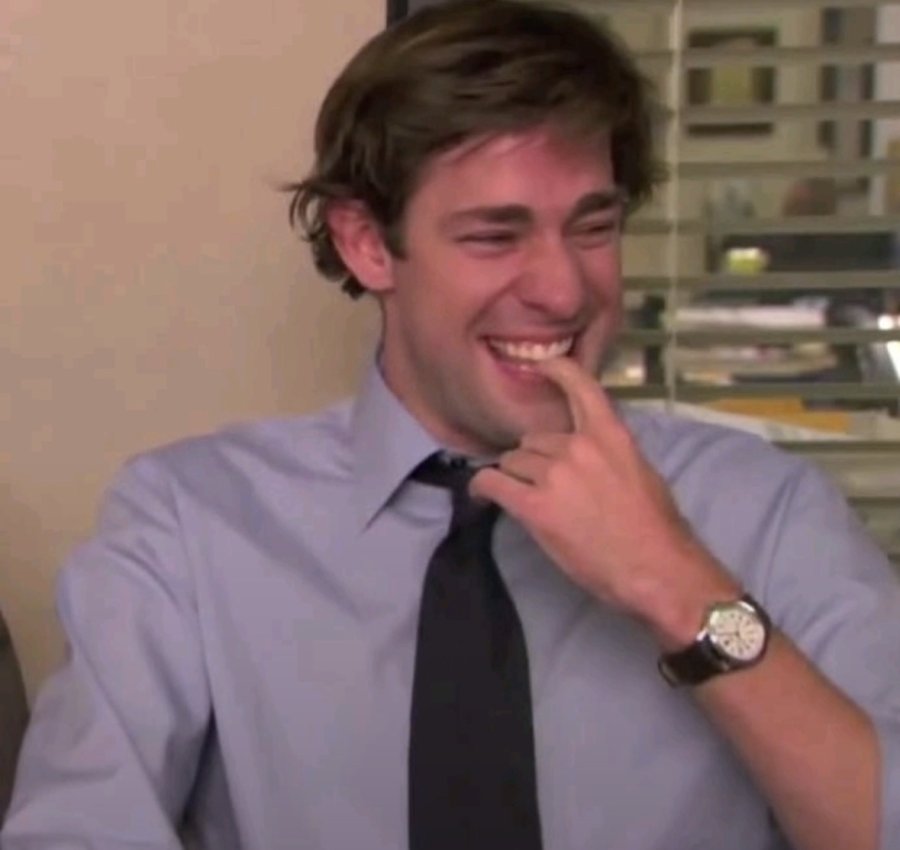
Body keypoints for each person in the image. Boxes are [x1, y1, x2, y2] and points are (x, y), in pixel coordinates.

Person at [3, 1, 900, 848]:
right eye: (495, 236)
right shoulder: (188, 527)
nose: (563, 291)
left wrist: (676, 585)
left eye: (593, 227)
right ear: (367, 244)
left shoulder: (769, 510)